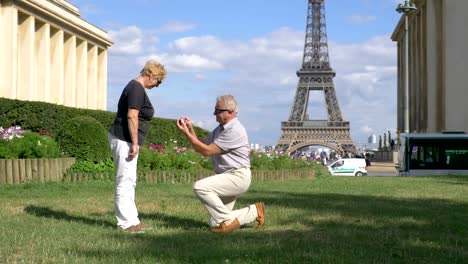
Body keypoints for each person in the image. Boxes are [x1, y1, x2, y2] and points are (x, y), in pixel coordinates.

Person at [176, 95, 265, 233]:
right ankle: (254, 211)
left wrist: (187, 134)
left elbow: (207, 151)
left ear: (229, 113)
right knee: (214, 223)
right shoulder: (221, 128)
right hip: (228, 176)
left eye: (217, 110)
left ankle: (230, 221)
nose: (214, 113)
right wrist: (190, 128)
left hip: (237, 177)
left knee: (200, 187)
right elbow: (202, 145)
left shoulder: (234, 130)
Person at [108, 60, 166, 233]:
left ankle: (133, 220)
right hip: (124, 139)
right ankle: (126, 224)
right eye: (158, 81)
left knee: (129, 181)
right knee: (125, 181)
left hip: (126, 140)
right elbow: (132, 116)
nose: (157, 86)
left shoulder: (136, 88)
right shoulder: (136, 89)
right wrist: (134, 143)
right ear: (151, 75)